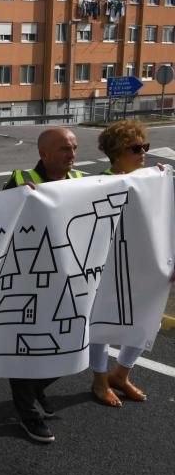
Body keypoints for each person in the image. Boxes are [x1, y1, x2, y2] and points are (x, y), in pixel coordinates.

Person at [2, 127, 83, 443]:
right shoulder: (21, 180)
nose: (72, 155)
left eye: (74, 148)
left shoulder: (80, 183)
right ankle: (27, 413)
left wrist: (155, 178)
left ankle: (37, 388)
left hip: (67, 281)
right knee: (26, 347)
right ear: (44, 154)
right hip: (28, 279)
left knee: (74, 340)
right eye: (65, 148)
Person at [89, 120, 155, 406]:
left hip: (144, 262)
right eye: (136, 148)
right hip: (107, 265)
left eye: (145, 147)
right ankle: (100, 381)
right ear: (116, 153)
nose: (143, 153)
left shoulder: (155, 180)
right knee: (101, 324)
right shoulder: (98, 183)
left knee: (146, 317)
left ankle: (121, 374)